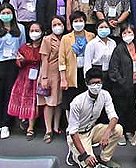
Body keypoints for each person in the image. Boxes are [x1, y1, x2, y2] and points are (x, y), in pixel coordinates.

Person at [67, 67, 123, 168]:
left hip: (92, 130)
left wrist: (107, 133)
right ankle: (75, 153)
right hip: (78, 135)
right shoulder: (77, 102)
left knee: (118, 129)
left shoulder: (105, 95)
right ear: (87, 84)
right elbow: (73, 132)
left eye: (98, 83)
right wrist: (85, 156)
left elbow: (114, 117)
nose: (96, 86)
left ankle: (104, 159)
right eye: (93, 83)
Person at [0, 3, 26, 141]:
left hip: (13, 66)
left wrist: (22, 58)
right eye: (3, 13)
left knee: (9, 96)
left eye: (8, 13)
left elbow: (23, 47)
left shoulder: (20, 28)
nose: (6, 15)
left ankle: (5, 125)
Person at [60, 12, 95, 149]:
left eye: (81, 20)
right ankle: (71, 129)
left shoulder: (91, 36)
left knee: (86, 102)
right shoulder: (66, 38)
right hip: (71, 74)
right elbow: (62, 59)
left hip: (85, 73)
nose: (78, 23)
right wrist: (63, 78)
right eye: (75, 21)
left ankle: (84, 129)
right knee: (70, 102)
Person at [8, 22, 43, 141]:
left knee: (33, 102)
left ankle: (31, 128)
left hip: (38, 76)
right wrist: (21, 60)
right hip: (24, 77)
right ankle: (24, 119)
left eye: (37, 30)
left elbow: (41, 60)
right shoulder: (24, 47)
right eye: (32, 31)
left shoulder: (44, 46)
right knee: (23, 100)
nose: (34, 33)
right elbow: (18, 63)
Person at [108, 24, 136, 145]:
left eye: (130, 32)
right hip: (122, 87)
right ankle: (120, 133)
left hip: (135, 84)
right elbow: (113, 69)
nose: (127, 35)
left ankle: (129, 131)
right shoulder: (119, 49)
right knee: (121, 109)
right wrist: (122, 81)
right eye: (125, 33)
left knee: (132, 109)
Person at [38, 16, 66, 142]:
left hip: (62, 74)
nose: (57, 27)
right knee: (49, 103)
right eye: (54, 25)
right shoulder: (47, 39)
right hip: (50, 73)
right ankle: (48, 130)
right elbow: (44, 60)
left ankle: (56, 126)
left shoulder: (66, 38)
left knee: (58, 102)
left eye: (60, 24)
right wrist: (44, 77)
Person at [83, 20, 117, 84]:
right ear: (97, 29)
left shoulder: (113, 43)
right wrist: (87, 78)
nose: (104, 29)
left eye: (106, 27)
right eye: (101, 27)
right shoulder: (92, 44)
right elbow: (87, 62)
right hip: (96, 72)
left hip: (110, 73)